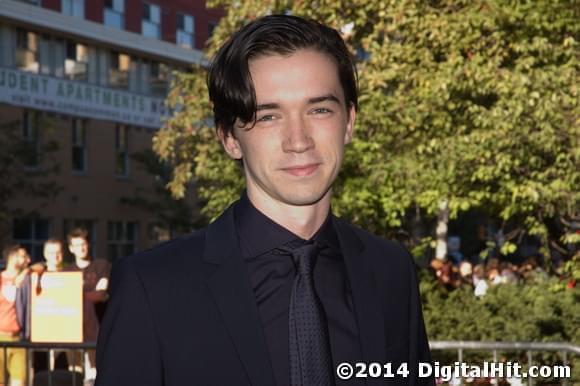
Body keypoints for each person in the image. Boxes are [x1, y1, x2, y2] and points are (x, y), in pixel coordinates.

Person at [96, 15, 433, 386]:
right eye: (269, 116)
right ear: (229, 138)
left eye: (319, 109)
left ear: (349, 121)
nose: (298, 140)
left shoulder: (391, 272)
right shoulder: (152, 287)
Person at [66, 229, 110, 383]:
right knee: (74, 373)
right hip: (73, 330)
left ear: (88, 245)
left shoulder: (101, 266)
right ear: (71, 248)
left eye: (83, 244)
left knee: (94, 374)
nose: (81, 248)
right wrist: (91, 295)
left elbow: (101, 294)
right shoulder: (67, 271)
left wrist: (76, 296)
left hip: (97, 330)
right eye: (77, 245)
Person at [0, 245, 31, 386]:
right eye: (23, 256)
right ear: (12, 258)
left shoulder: (26, 279)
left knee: (19, 381)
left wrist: (26, 272)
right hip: (0, 337)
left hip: (18, 338)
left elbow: (41, 266)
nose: (28, 259)